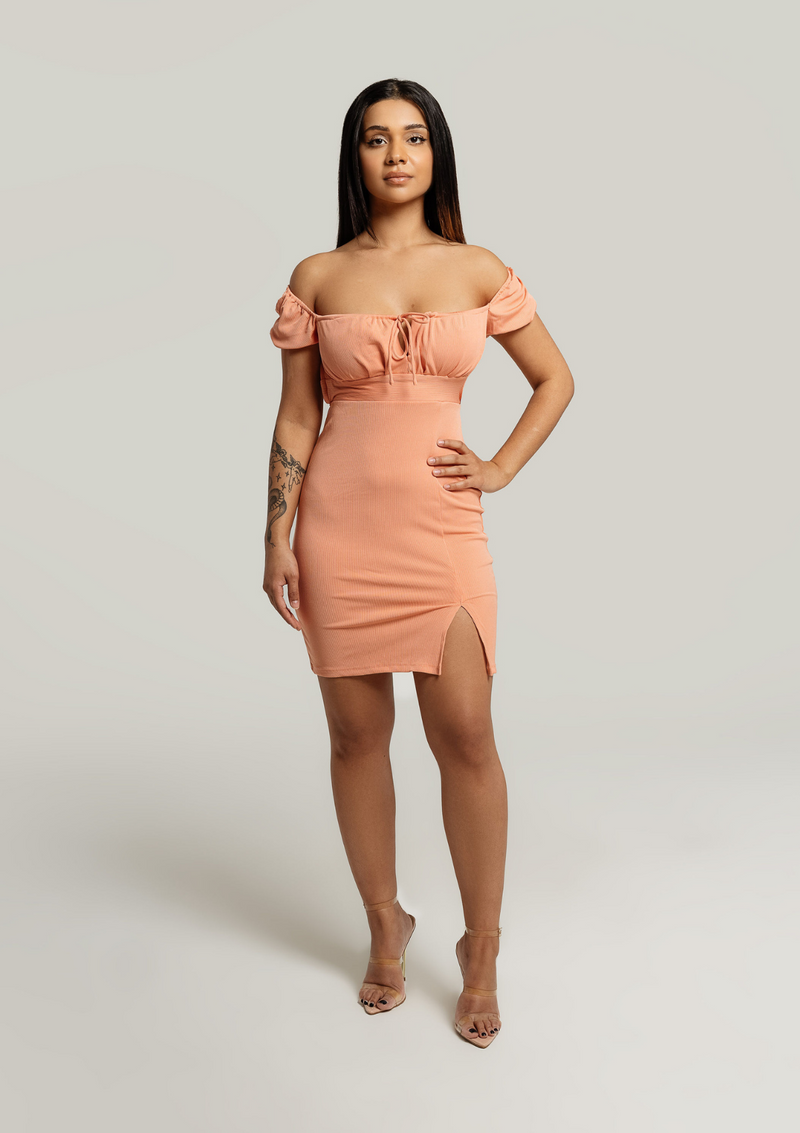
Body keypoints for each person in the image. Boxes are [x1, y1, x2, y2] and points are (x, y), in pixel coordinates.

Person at [264, 77, 574, 1048]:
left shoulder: (477, 267)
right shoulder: (319, 275)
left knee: (466, 734)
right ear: (353, 157)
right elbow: (297, 414)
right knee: (356, 735)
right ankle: (385, 925)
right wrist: (275, 533)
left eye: (412, 137)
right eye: (374, 138)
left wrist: (499, 467)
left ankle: (480, 947)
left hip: (440, 529)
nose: (395, 154)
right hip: (337, 527)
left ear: (436, 153)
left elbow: (554, 378)